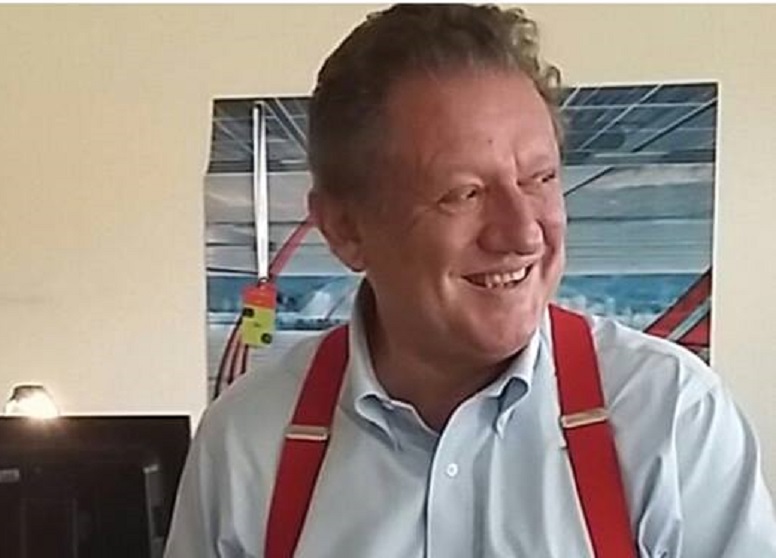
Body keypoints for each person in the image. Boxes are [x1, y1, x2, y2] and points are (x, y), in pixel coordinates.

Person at [165, 4, 776, 557]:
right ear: (346, 229)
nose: (524, 233)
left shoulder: (671, 417)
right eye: (464, 193)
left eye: (540, 179)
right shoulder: (244, 446)